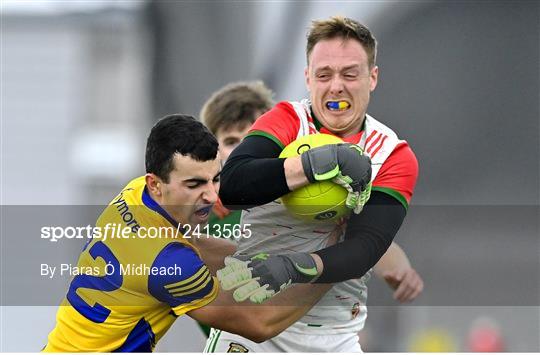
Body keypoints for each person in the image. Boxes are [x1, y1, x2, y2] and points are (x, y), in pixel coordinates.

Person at [208, 16, 419, 352]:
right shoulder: (287, 120)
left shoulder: (393, 154)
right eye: (324, 75)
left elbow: (364, 249)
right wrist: (314, 165)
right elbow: (233, 186)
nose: (336, 86)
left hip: (334, 339)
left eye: (350, 73)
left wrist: (293, 266)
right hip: (250, 328)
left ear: (372, 78)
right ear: (308, 78)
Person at [43, 114, 335, 352]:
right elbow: (259, 324)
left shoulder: (136, 194)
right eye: (194, 184)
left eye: (215, 179)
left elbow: (195, 246)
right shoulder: (171, 264)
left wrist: (279, 258)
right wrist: (330, 263)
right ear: (156, 184)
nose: (210, 196)